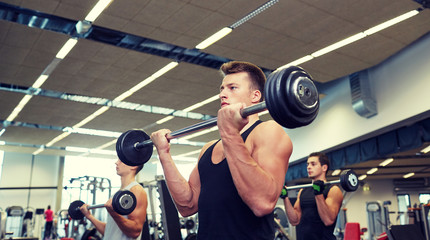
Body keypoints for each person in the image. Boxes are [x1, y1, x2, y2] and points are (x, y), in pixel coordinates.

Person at [150, 61, 292, 239]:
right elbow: (187, 206)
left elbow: (262, 203)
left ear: (255, 96)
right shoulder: (209, 148)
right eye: (222, 88)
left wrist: (229, 131)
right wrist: (164, 154)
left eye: (232, 88)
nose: (222, 94)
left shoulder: (268, 131)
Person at [79, 159, 148, 240]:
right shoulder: (116, 194)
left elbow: (135, 232)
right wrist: (89, 216)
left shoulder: (136, 191)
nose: (116, 162)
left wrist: (113, 212)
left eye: (121, 160)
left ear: (133, 166)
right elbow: (108, 231)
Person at [281, 152, 344, 240]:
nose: (308, 167)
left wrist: (318, 194)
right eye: (308, 164)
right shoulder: (303, 191)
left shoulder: (333, 190)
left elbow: (328, 220)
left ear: (324, 167)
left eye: (313, 164)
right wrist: (285, 198)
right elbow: (294, 221)